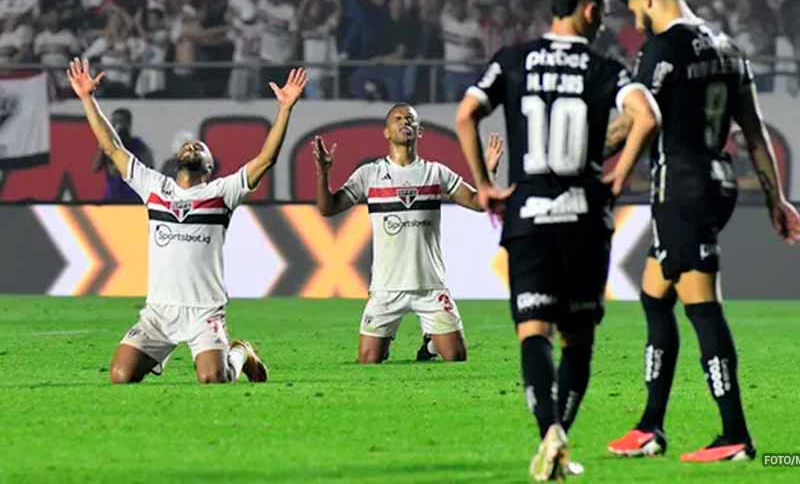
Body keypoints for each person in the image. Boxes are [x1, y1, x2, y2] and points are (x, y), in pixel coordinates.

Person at [455, 0, 659, 481]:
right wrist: (618, 176)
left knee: (533, 335)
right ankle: (560, 439)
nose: (603, 20)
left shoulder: (513, 60)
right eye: (602, 10)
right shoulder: (602, 66)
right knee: (578, 340)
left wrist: (484, 184)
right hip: (585, 218)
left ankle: (548, 437)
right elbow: (647, 115)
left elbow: (465, 115)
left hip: (528, 217)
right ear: (588, 8)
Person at [605, 0, 800, 463]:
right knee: (655, 296)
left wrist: (580, 148)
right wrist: (775, 198)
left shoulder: (662, 49)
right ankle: (649, 426)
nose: (635, 24)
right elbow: (755, 130)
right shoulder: (728, 47)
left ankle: (735, 433)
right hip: (716, 184)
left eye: (634, 11)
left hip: (683, 189)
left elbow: (636, 123)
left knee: (701, 307)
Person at [69, 57, 309, 384]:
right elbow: (112, 149)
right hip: (159, 312)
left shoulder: (222, 192)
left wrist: (285, 109)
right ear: (177, 159)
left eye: (201, 148)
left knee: (214, 378)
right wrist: (87, 98)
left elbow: (266, 159)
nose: (193, 146)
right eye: (189, 145)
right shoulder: (154, 187)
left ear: (209, 167)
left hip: (204, 311)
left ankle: (241, 353)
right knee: (120, 376)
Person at [314, 103, 503, 365]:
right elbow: (327, 208)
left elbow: (478, 203)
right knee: (369, 361)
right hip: (386, 288)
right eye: (398, 119)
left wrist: (488, 172)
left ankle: (432, 345)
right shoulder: (370, 174)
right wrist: (323, 173)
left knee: (456, 357)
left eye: (410, 120)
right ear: (387, 132)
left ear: (419, 130)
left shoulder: (435, 172)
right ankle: (395, 342)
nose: (405, 123)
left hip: (430, 286)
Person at [91, 108, 154, 203]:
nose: (118, 125)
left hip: (132, 199)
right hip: (112, 199)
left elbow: (149, 168)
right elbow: (95, 167)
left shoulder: (138, 145)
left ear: (129, 123)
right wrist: (104, 141)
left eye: (121, 121)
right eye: (114, 121)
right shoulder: (109, 145)